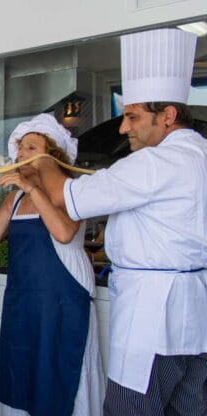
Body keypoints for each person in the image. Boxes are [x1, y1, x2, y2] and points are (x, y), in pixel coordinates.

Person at [35, 28, 207, 415]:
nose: (124, 127)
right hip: (196, 313)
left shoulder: (155, 161)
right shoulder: (200, 154)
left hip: (154, 316)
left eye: (132, 117)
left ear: (168, 116)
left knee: (131, 408)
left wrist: (42, 159)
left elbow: (68, 197)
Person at [0, 113, 103, 415]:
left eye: (31, 148)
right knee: (22, 371)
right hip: (23, 301)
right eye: (21, 148)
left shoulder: (70, 191)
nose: (21, 155)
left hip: (63, 300)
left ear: (53, 155)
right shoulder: (13, 199)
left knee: (60, 372)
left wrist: (32, 189)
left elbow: (64, 233)